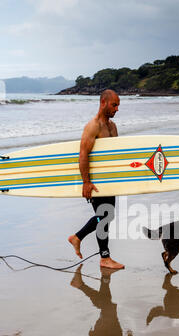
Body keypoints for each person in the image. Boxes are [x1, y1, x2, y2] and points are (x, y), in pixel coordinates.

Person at [68, 89, 124, 269]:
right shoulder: (93, 126)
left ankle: (88, 245)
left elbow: (116, 154)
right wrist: (86, 182)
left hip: (109, 180)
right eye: (114, 105)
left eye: (118, 105)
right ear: (103, 103)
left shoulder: (113, 127)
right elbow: (83, 154)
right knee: (105, 215)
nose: (116, 109)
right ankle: (98, 253)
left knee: (107, 215)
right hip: (94, 181)